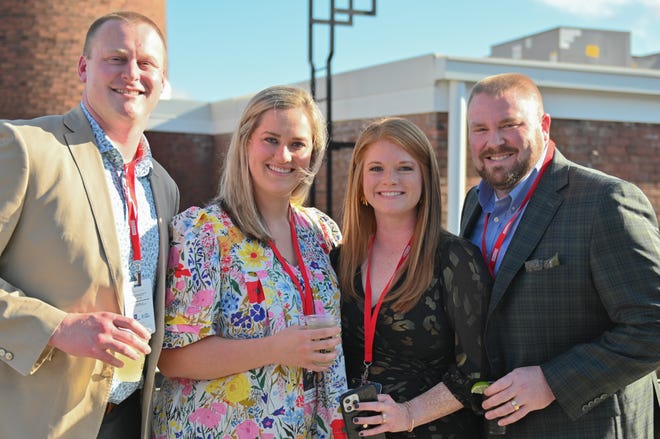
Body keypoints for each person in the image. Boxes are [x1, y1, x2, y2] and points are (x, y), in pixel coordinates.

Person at [0, 11, 179, 439]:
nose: (132, 74)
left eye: (146, 64)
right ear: (84, 67)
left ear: (162, 79)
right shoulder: (25, 148)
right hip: (39, 421)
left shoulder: (166, 186)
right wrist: (58, 328)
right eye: (116, 58)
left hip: (134, 418)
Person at [460, 72, 660, 438]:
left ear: (544, 125)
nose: (494, 141)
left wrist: (553, 381)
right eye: (480, 129)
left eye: (510, 124)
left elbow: (652, 325)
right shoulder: (474, 203)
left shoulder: (605, 202)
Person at [152, 85, 348, 438]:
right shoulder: (204, 232)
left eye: (298, 144)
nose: (284, 155)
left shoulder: (321, 232)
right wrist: (276, 348)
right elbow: (170, 358)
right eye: (270, 139)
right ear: (245, 143)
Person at [335, 117, 492, 438]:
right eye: (376, 168)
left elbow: (478, 371)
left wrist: (408, 414)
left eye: (405, 167)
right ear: (360, 181)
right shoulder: (340, 259)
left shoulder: (455, 259)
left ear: (425, 178)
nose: (389, 179)